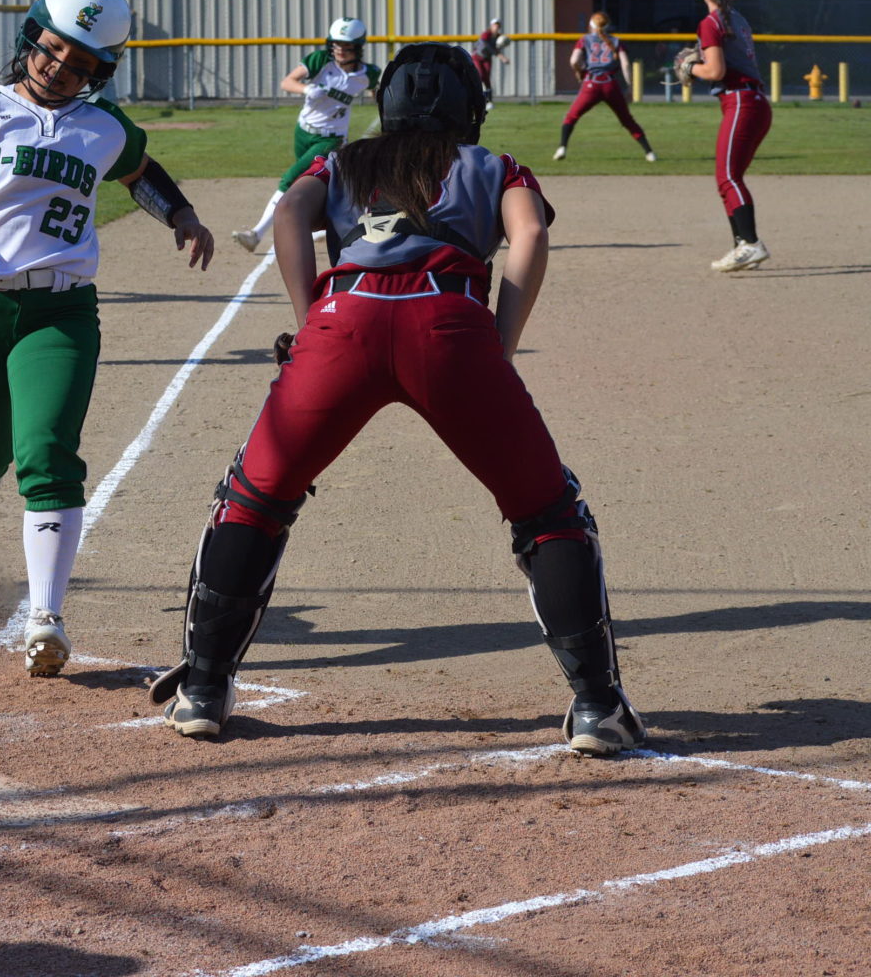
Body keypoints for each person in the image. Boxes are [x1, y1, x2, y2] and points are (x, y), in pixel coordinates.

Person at [148, 43, 644, 757]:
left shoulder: (340, 161)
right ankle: (598, 707)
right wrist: (498, 345)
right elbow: (529, 233)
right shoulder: (495, 165)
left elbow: (288, 216)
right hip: (448, 325)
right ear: (469, 108)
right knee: (547, 511)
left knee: (254, 499)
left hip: (341, 323)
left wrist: (308, 321)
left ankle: (202, 688)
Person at [0, 0, 214, 677]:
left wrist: (181, 214)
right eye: (52, 50)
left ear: (99, 72)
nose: (59, 68)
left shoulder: (103, 126)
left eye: (81, 63)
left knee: (47, 450)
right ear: (30, 39)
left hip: (61, 309)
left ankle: (45, 617)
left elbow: (141, 171)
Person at [231, 17, 379, 253]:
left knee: (291, 179)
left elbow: (375, 88)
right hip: (303, 131)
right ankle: (326, 225)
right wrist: (307, 88)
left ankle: (256, 234)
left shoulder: (366, 73)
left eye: (347, 45)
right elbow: (287, 82)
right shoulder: (320, 60)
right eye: (336, 44)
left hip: (331, 138)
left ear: (358, 47)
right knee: (318, 180)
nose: (340, 50)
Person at [681, 0, 772, 273]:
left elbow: (715, 71)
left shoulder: (710, 22)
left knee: (728, 177)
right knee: (730, 178)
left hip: (740, 101)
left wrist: (690, 68)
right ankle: (742, 246)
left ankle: (750, 243)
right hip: (755, 102)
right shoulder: (739, 19)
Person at [554, 13, 656, 163]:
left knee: (571, 117)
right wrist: (629, 86)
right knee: (627, 120)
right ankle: (649, 153)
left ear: (591, 25)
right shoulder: (615, 41)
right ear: (608, 26)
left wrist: (579, 71)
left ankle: (562, 147)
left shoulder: (584, 39)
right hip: (610, 84)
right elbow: (625, 64)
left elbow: (574, 60)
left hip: (591, 84)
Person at [469, 17, 508, 107]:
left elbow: (497, 47)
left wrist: (503, 43)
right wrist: (500, 56)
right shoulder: (486, 34)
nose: (496, 27)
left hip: (487, 58)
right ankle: (474, 98)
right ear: (491, 26)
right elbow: (486, 45)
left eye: (498, 25)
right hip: (477, 57)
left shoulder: (498, 36)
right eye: (495, 25)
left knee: (487, 79)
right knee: (480, 76)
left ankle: (488, 101)